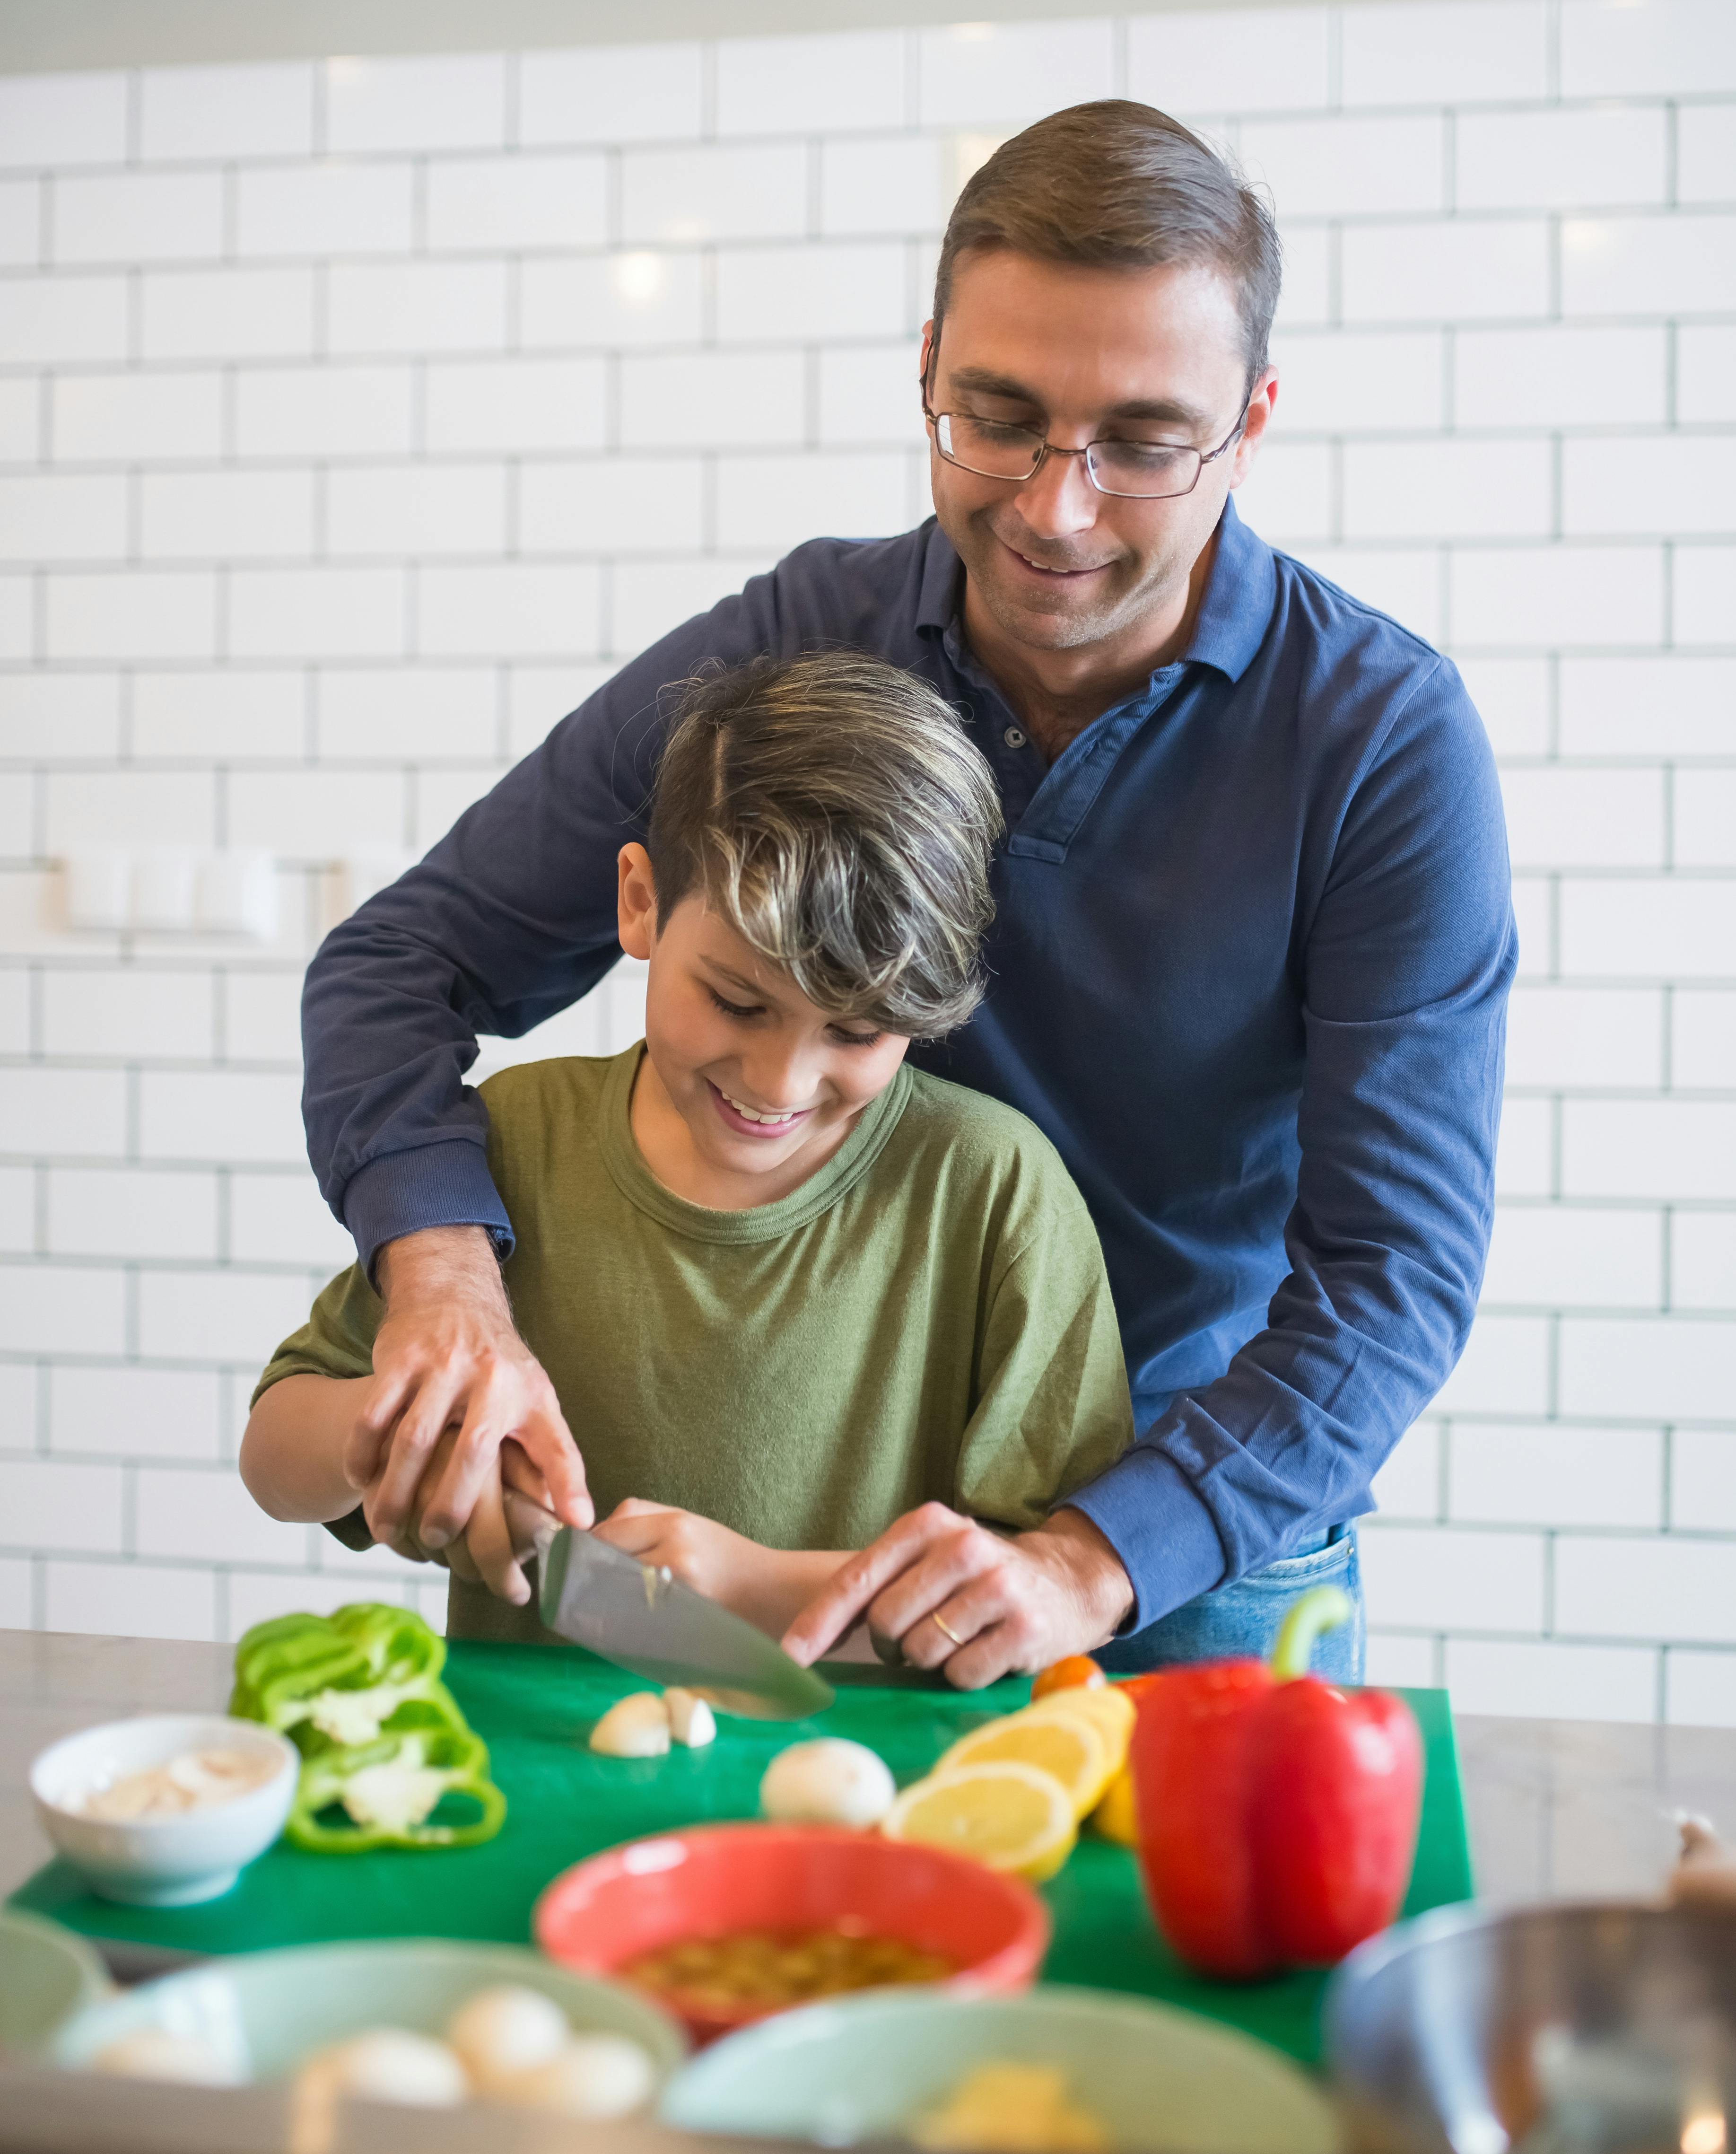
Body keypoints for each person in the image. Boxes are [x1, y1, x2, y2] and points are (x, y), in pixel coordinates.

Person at [298, 98, 1515, 1688]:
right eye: (994, 416)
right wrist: (448, 1285)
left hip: (1200, 1535)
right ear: (927, 364)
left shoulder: (1379, 741)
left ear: (1253, 418)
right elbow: (398, 965)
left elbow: (1393, 1273)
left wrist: (1095, 1558)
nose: (1053, 509)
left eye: (1142, 443)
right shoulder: (801, 638)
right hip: (838, 1527)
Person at [243, 652, 1134, 1637]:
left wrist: (764, 1587)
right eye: (738, 1000)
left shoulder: (993, 1192)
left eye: (857, 1029)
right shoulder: (512, 1142)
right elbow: (273, 1458)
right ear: (639, 900)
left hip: (873, 1782)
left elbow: (1047, 1598)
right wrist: (399, 1433)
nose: (779, 1083)